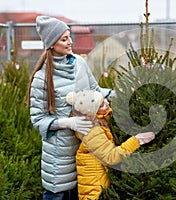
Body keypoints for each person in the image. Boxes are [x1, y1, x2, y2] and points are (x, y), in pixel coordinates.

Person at [27, 16, 115, 199]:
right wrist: (68, 122)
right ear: (51, 44)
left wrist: (123, 93)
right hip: (59, 158)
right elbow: (37, 120)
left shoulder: (80, 64)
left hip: (84, 147)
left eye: (69, 36)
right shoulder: (42, 78)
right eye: (64, 39)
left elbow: (97, 91)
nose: (70, 42)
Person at [66, 90, 155, 199]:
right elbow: (111, 157)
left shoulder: (99, 120)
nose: (107, 103)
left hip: (102, 181)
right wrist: (137, 141)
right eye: (102, 105)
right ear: (92, 112)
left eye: (105, 100)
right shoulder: (91, 131)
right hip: (96, 189)